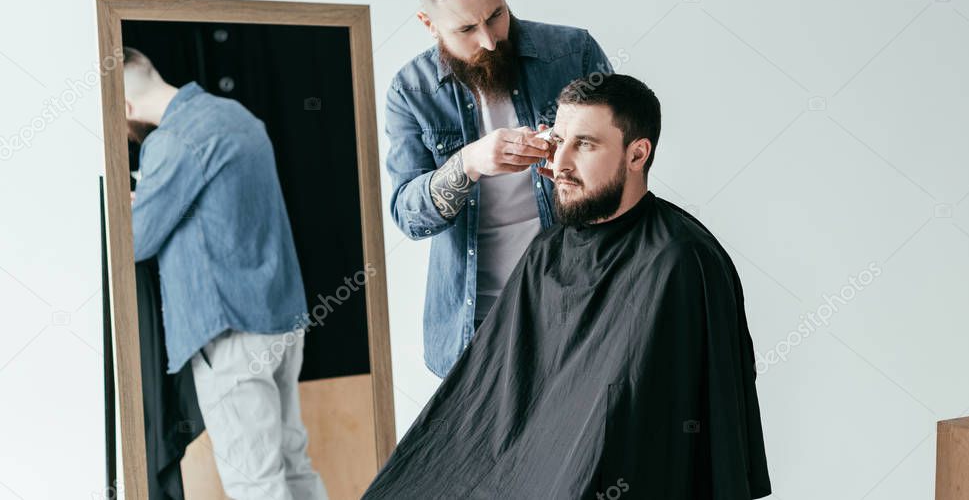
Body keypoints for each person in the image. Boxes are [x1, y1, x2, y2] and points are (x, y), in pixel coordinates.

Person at [364, 74, 772, 498]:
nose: (560, 164)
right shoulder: (546, 250)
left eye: (586, 145)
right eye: (559, 141)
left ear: (637, 154)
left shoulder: (679, 260)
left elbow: (656, 434)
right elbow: (488, 407)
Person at [385, 0, 615, 377]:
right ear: (428, 23)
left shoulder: (573, 53)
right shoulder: (410, 91)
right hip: (474, 326)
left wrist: (571, 155)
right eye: (466, 30)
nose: (490, 41)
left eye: (496, 15)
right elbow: (409, 216)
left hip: (577, 303)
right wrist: (467, 163)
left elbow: (623, 159)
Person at [125, 47, 327, 500]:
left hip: (231, 329)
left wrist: (136, 202)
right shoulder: (236, 114)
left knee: (255, 481)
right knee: (293, 465)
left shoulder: (172, 141)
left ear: (125, 108)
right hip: (281, 318)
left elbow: (134, 242)